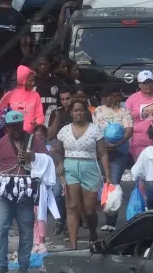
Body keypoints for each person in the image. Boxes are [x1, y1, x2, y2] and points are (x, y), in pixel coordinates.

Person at [0, 110, 46, 273]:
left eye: (18, 126)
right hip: (4, 194)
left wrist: (33, 158)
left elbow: (48, 162)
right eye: (12, 127)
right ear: (7, 128)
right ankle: (2, 265)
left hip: (26, 194)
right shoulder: (0, 144)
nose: (16, 130)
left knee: (26, 231)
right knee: (1, 227)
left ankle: (23, 266)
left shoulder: (35, 142)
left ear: (22, 125)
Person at [53, 99, 108, 249]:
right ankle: (73, 245)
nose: (78, 113)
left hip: (90, 167)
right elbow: (57, 150)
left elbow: (102, 153)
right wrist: (60, 163)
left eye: (81, 110)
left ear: (86, 112)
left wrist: (107, 176)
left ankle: (92, 232)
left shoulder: (95, 130)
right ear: (71, 113)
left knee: (89, 209)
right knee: (72, 206)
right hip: (70, 167)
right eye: (75, 110)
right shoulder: (64, 130)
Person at [92, 89, 133, 230]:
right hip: (102, 152)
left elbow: (129, 131)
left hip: (119, 153)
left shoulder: (124, 112)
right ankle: (105, 214)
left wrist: (117, 144)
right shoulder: (98, 111)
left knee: (114, 183)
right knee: (103, 184)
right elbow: (95, 130)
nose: (106, 98)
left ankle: (111, 220)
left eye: (108, 95)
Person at [0, 66, 45, 136]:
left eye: (33, 80)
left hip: (29, 137)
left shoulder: (35, 95)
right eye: (30, 80)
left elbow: (40, 116)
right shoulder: (9, 95)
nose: (33, 83)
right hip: (10, 137)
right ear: (22, 80)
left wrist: (37, 122)